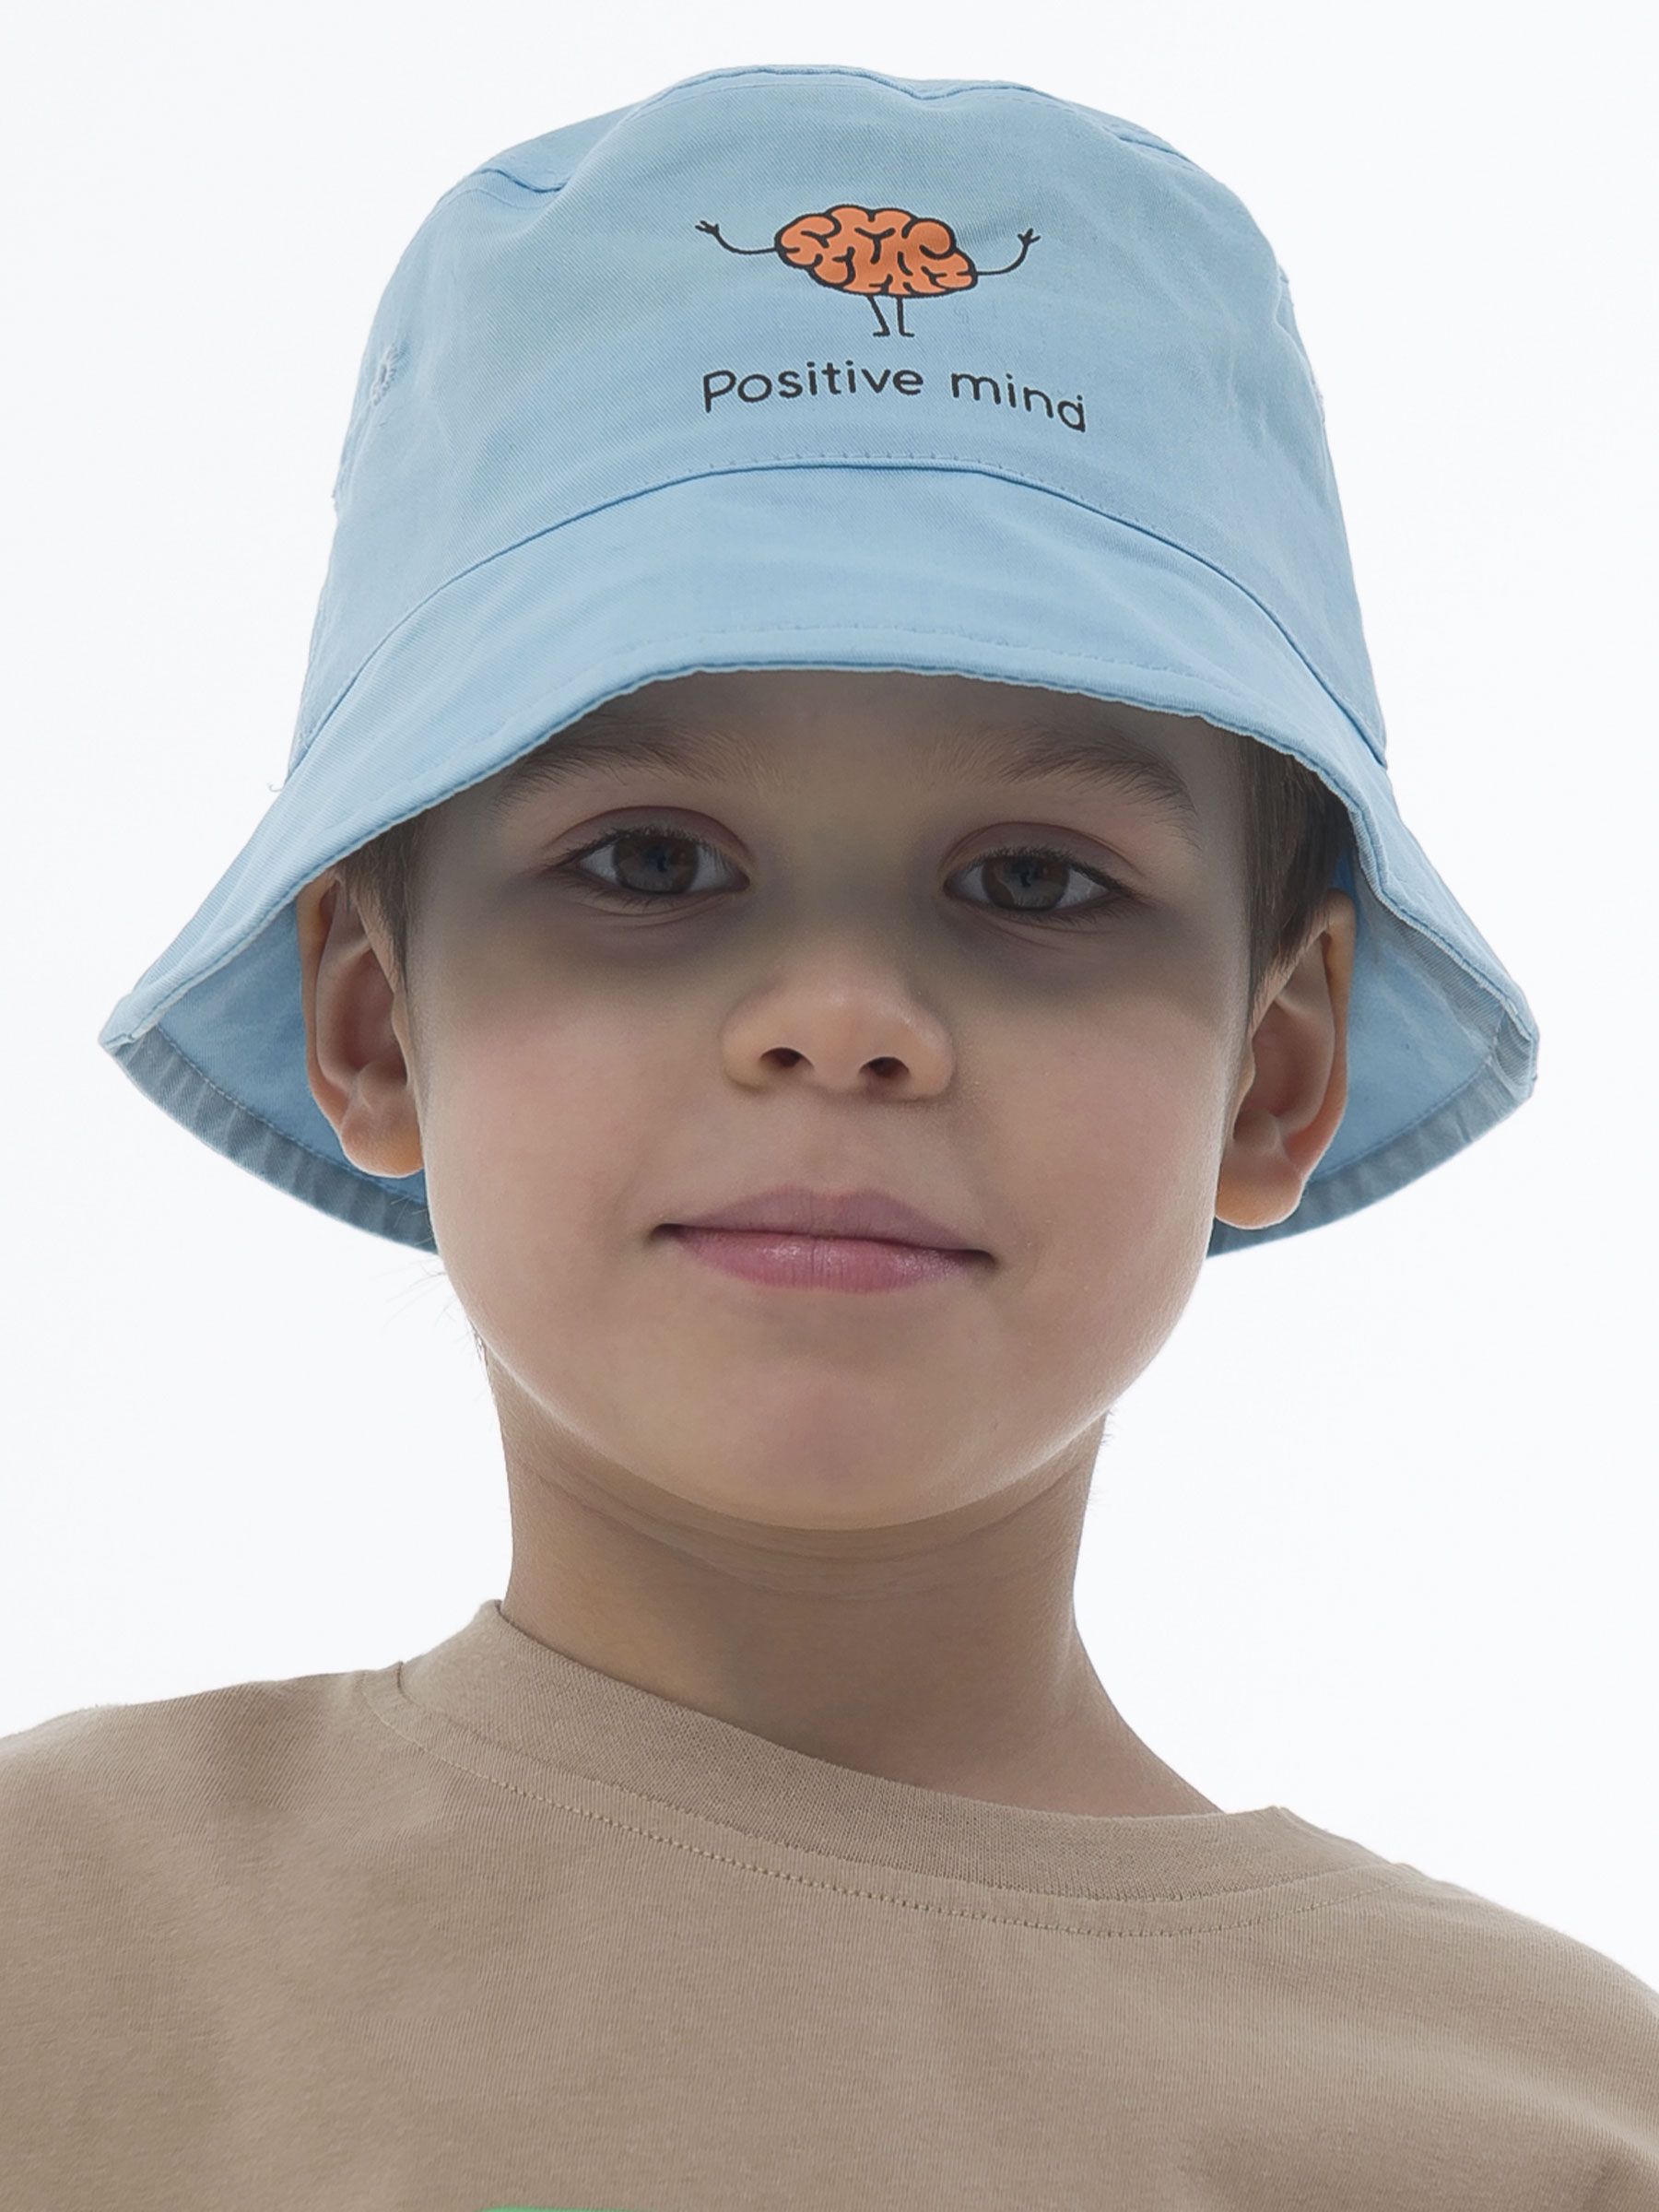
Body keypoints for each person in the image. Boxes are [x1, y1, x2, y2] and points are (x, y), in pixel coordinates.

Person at [8, 59, 1655, 2209]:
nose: (845, 1021)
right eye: (651, 862)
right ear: (372, 1019)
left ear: (1274, 1072)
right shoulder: (59, 1955)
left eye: (1035, 882)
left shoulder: (1550, 2138)